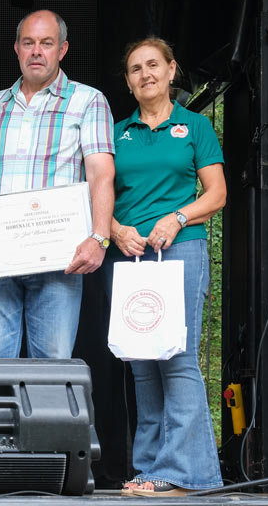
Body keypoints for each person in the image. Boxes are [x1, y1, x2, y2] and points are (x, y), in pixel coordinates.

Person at [107, 37, 225, 497]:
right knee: (141, 363)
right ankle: (151, 469)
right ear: (129, 82)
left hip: (182, 250)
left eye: (153, 65)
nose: (145, 74)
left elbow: (216, 193)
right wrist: (116, 230)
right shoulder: (117, 133)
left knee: (176, 359)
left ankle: (186, 473)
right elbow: (97, 197)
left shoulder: (195, 126)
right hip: (131, 256)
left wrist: (177, 217)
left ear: (172, 70)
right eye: (135, 69)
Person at [0, 9, 115, 359]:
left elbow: (101, 175)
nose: (36, 51)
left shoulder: (87, 100)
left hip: (59, 259)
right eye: (28, 43)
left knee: (52, 370)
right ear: (16, 48)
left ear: (62, 50)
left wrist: (99, 237)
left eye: (46, 43)